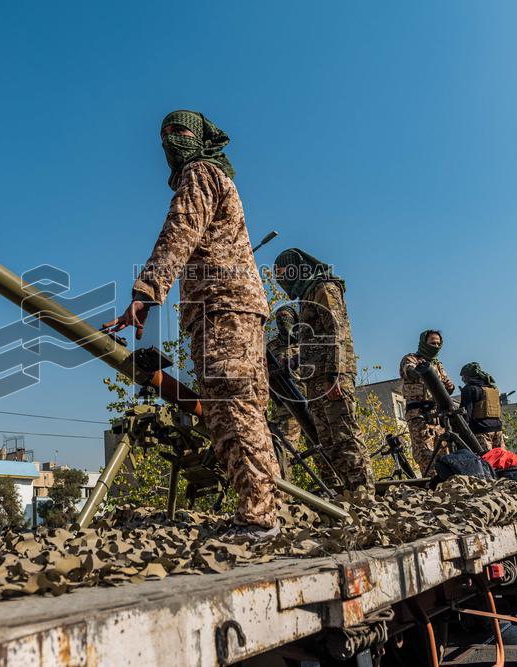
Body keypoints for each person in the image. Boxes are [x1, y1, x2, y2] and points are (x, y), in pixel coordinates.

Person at [103, 110, 280, 541]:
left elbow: (180, 231)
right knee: (246, 407)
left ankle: (258, 517)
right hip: (238, 308)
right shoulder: (219, 175)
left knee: (229, 408)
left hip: (221, 308)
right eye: (165, 134)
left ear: (200, 139)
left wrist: (145, 292)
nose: (171, 141)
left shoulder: (200, 172)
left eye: (180, 132)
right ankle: (268, 507)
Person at [273, 248, 373, 490]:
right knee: (326, 442)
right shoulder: (307, 295)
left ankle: (364, 492)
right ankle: (344, 493)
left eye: (282, 272)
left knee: (345, 435)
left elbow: (336, 332)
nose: (280, 279)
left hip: (331, 377)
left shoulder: (323, 288)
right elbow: (315, 340)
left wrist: (334, 375)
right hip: (314, 379)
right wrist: (294, 362)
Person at [400, 330, 455, 474]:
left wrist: (448, 387)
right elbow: (410, 371)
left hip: (437, 417)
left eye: (438, 343)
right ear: (424, 343)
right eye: (432, 343)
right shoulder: (411, 359)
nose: (435, 346)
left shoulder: (437, 365)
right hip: (418, 415)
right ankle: (430, 487)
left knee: (444, 454)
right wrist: (423, 370)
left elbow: (448, 386)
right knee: (426, 454)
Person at [267, 304, 302, 447]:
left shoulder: (305, 343)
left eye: (286, 317)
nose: (283, 321)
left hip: (310, 401)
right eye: (279, 318)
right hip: (284, 406)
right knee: (283, 448)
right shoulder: (271, 347)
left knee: (323, 450)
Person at [459, 362, 507, 450]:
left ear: (467, 376)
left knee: (485, 461)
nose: (463, 380)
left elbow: (466, 413)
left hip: (482, 431)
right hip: (498, 429)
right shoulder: (493, 388)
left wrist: (461, 431)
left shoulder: (470, 389)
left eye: (463, 377)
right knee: (501, 460)